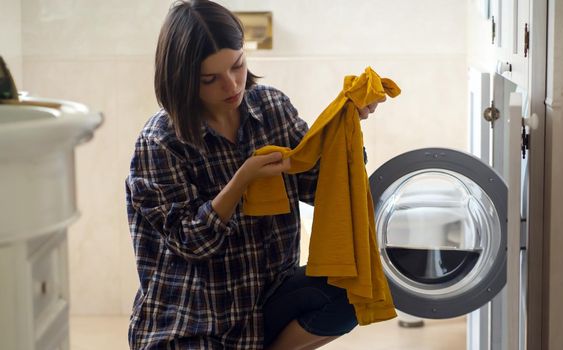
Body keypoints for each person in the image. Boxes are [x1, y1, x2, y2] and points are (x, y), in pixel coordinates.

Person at [125, 0, 382, 349]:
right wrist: (241, 181)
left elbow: (317, 186)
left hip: (264, 301)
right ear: (182, 80)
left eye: (238, 66)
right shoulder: (160, 142)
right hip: (191, 318)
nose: (231, 85)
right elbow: (190, 244)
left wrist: (345, 131)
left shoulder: (272, 108)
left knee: (353, 290)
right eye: (210, 79)